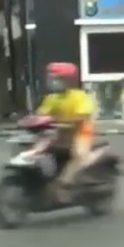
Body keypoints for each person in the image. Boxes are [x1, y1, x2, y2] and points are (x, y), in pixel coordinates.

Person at [35, 62, 97, 203]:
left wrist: (66, 121)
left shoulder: (81, 97)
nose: (53, 82)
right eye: (51, 78)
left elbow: (83, 116)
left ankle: (65, 184)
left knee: (78, 155)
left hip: (81, 132)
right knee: (38, 149)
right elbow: (42, 115)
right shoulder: (51, 98)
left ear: (68, 80)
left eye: (57, 79)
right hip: (60, 132)